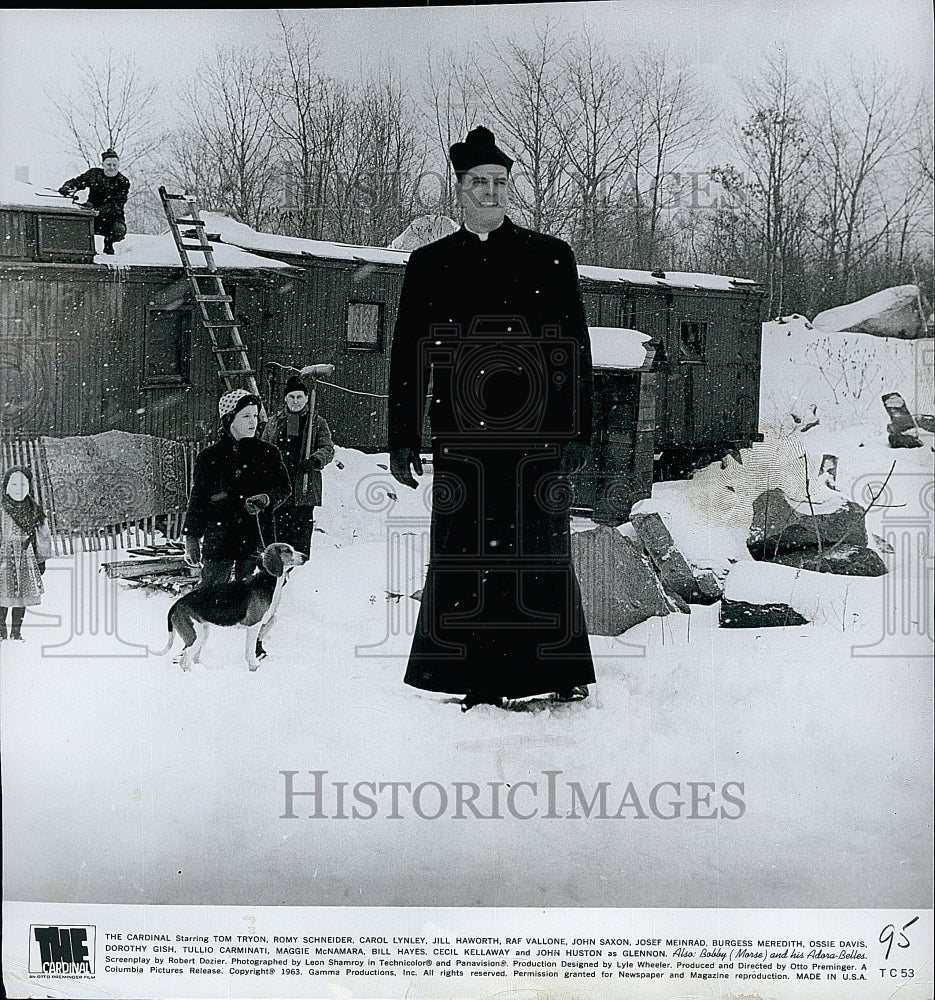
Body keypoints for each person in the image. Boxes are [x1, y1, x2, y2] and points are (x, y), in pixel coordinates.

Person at [388, 126, 595, 711]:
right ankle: (472, 676)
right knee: (467, 552)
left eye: (500, 182)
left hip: (535, 433)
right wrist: (403, 436)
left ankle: (557, 670)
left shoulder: (549, 257)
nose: (491, 191)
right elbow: (408, 354)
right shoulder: (430, 264)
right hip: (461, 435)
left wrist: (578, 426)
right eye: (479, 182)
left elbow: (573, 345)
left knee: (539, 548)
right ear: (458, 189)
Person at [183, 389, 291, 586]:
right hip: (220, 537)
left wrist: (266, 498)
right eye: (246, 416)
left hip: (256, 536)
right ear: (229, 418)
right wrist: (191, 536)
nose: (253, 422)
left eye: (255, 416)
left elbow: (284, 487)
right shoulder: (210, 457)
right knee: (213, 594)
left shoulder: (268, 453)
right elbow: (198, 499)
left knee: (255, 596)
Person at [260, 375, 335, 556]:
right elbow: (263, 448)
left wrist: (315, 460)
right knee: (279, 535)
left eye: (299, 397)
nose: (295, 401)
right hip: (279, 485)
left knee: (301, 534)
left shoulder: (316, 422)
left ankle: (300, 573)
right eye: (292, 397)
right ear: (285, 398)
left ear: (307, 398)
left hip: (304, 483)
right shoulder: (275, 422)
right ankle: (279, 573)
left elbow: (328, 448)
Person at [0, 466, 53, 641]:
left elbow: (42, 537)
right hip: (3, 557)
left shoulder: (34, 511)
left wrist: (41, 560)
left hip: (25, 557)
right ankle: (1, 630)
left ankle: (16, 631)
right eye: (13, 483)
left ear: (29, 487)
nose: (18, 487)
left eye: (23, 483)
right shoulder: (1, 509)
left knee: (21, 596)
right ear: (6, 486)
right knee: (2, 594)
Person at [58, 148, 130, 255]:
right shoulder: (94, 174)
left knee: (118, 230)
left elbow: (117, 204)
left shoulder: (123, 182)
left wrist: (99, 211)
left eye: (115, 165)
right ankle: (84, 250)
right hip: (90, 213)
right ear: (103, 165)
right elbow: (78, 181)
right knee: (76, 226)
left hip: (112, 217)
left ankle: (109, 243)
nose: (112, 168)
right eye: (109, 164)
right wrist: (68, 187)